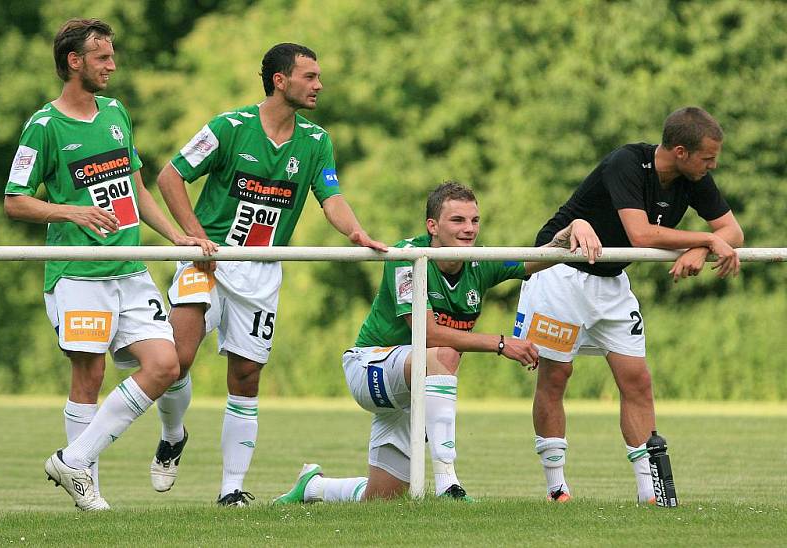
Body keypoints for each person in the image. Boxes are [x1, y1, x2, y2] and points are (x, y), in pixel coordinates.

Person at [149, 42, 386, 506]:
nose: (319, 85)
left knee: (246, 376)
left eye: (319, 77)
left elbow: (331, 199)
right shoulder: (229, 126)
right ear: (281, 80)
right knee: (178, 355)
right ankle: (173, 434)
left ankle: (231, 490)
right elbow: (169, 177)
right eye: (310, 76)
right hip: (208, 262)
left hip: (261, 274)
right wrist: (196, 238)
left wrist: (356, 232)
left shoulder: (316, 141)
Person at [272, 181, 601, 504]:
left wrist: (574, 228)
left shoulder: (479, 263)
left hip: (415, 386)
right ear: (432, 225)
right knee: (443, 351)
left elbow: (537, 258)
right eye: (457, 220)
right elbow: (426, 333)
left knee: (382, 499)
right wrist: (501, 343)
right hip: (369, 365)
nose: (469, 228)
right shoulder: (408, 257)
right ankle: (448, 484)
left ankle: (312, 487)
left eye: (474, 220)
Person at [3, 19, 216, 511]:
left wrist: (177, 236)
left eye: (112, 55)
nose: (112, 65)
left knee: (166, 364)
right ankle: (87, 490)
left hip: (130, 268)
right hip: (77, 274)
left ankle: (73, 460)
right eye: (102, 57)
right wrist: (69, 209)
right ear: (74, 62)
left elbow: (138, 189)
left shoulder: (117, 113)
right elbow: (15, 201)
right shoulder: (44, 126)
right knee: (88, 377)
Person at [514, 107, 744, 503]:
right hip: (561, 271)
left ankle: (648, 492)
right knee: (556, 376)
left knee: (637, 379)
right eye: (707, 157)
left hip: (612, 280)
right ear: (680, 151)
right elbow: (640, 235)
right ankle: (557, 489)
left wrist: (697, 246)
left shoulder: (695, 178)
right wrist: (704, 241)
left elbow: (733, 231)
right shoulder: (627, 162)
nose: (713, 165)